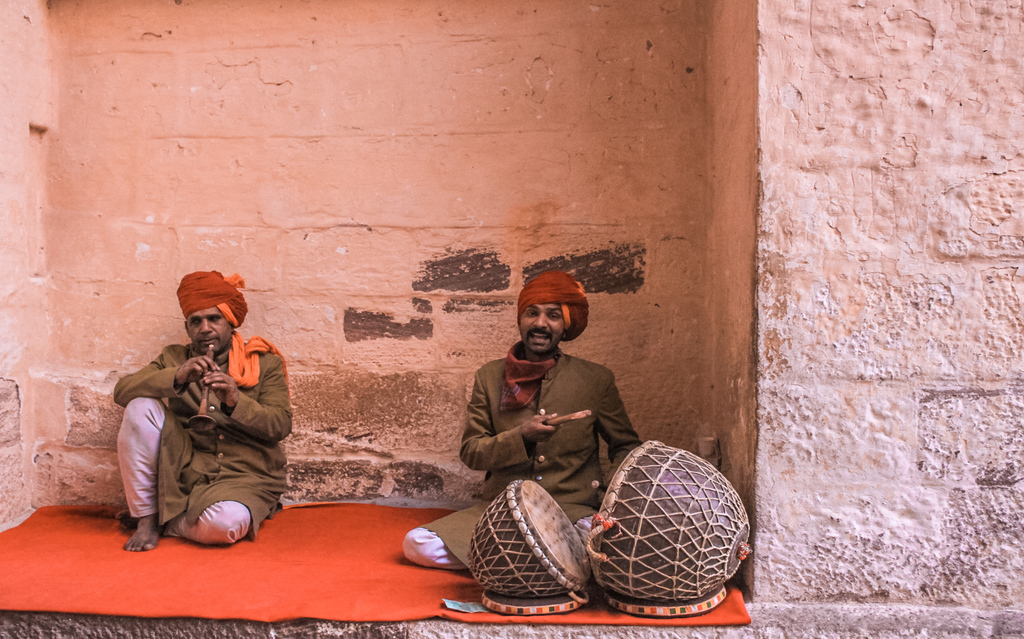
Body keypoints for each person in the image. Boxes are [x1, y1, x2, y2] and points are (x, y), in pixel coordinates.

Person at [403, 270, 642, 569]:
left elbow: (626, 447)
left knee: (618, 547)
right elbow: (472, 452)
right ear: (520, 319)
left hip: (572, 510)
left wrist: (609, 499)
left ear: (565, 325)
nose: (541, 323)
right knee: (417, 544)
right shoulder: (489, 377)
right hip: (504, 509)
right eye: (532, 313)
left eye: (553, 315)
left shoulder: (596, 379)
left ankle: (521, 559)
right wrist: (521, 437)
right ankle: (545, 560)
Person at [113, 271, 292, 552]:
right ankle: (146, 519)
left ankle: (168, 521)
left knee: (225, 525)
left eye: (214, 319)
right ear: (187, 328)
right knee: (139, 406)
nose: (205, 328)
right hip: (186, 469)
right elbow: (122, 391)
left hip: (246, 475)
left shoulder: (264, 363)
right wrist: (177, 376)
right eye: (196, 321)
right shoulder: (173, 358)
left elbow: (280, 426)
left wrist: (235, 400)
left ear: (230, 322)